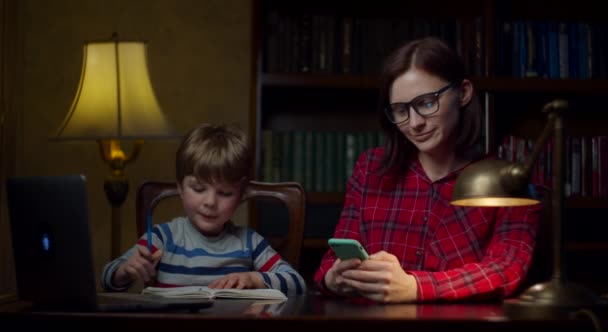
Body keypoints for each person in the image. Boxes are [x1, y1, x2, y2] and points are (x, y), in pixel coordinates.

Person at [314, 36, 542, 303]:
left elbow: (505, 269)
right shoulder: (370, 169)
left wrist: (415, 287)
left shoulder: (508, 180)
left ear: (464, 93)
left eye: (426, 103)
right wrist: (334, 277)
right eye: (400, 110)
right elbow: (329, 263)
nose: (414, 123)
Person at [102, 123, 306, 295]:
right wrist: (124, 271)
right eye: (198, 188)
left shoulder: (249, 242)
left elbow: (297, 283)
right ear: (180, 188)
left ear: (241, 195)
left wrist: (255, 279)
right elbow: (107, 278)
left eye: (225, 193)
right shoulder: (161, 238)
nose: (210, 202)